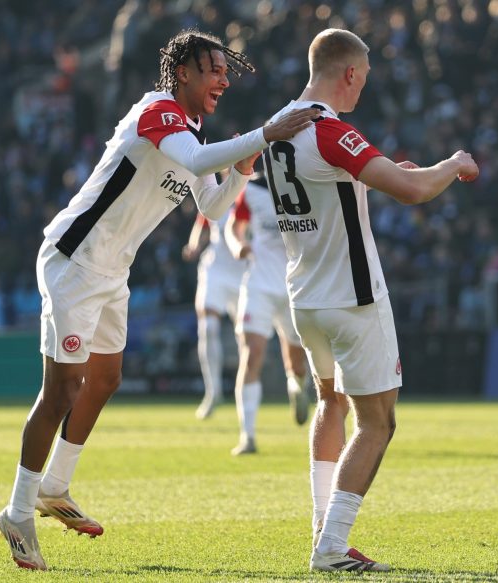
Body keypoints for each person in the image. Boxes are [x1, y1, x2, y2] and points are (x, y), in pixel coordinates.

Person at [0, 29, 319, 571]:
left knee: (105, 379)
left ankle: (55, 487)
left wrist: (241, 172)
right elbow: (197, 160)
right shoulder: (158, 111)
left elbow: (212, 208)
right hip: (75, 258)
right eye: (214, 69)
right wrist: (264, 135)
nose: (223, 80)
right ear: (183, 72)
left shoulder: (192, 129)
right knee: (62, 389)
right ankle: (17, 513)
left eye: (226, 71)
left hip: (112, 269)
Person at [263, 29, 478, 572]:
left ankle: (321, 529)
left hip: (305, 298)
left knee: (330, 402)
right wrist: (454, 164)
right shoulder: (332, 130)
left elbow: (334, 187)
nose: (363, 88)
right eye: (364, 78)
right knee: (377, 423)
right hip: (353, 299)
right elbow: (415, 192)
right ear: (350, 73)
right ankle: (332, 546)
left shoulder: (278, 128)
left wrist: (389, 175)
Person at [223, 176, 310, 455]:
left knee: (296, 362)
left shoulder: (306, 182)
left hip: (295, 286)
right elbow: (234, 226)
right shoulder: (251, 190)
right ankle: (247, 436)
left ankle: (297, 384)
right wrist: (238, 245)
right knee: (251, 355)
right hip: (258, 284)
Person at [181, 207, 245, 419]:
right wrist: (194, 245)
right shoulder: (218, 195)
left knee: (246, 338)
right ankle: (213, 391)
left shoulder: (256, 193)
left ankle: (244, 394)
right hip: (215, 269)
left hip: (246, 272)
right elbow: (203, 222)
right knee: (208, 327)